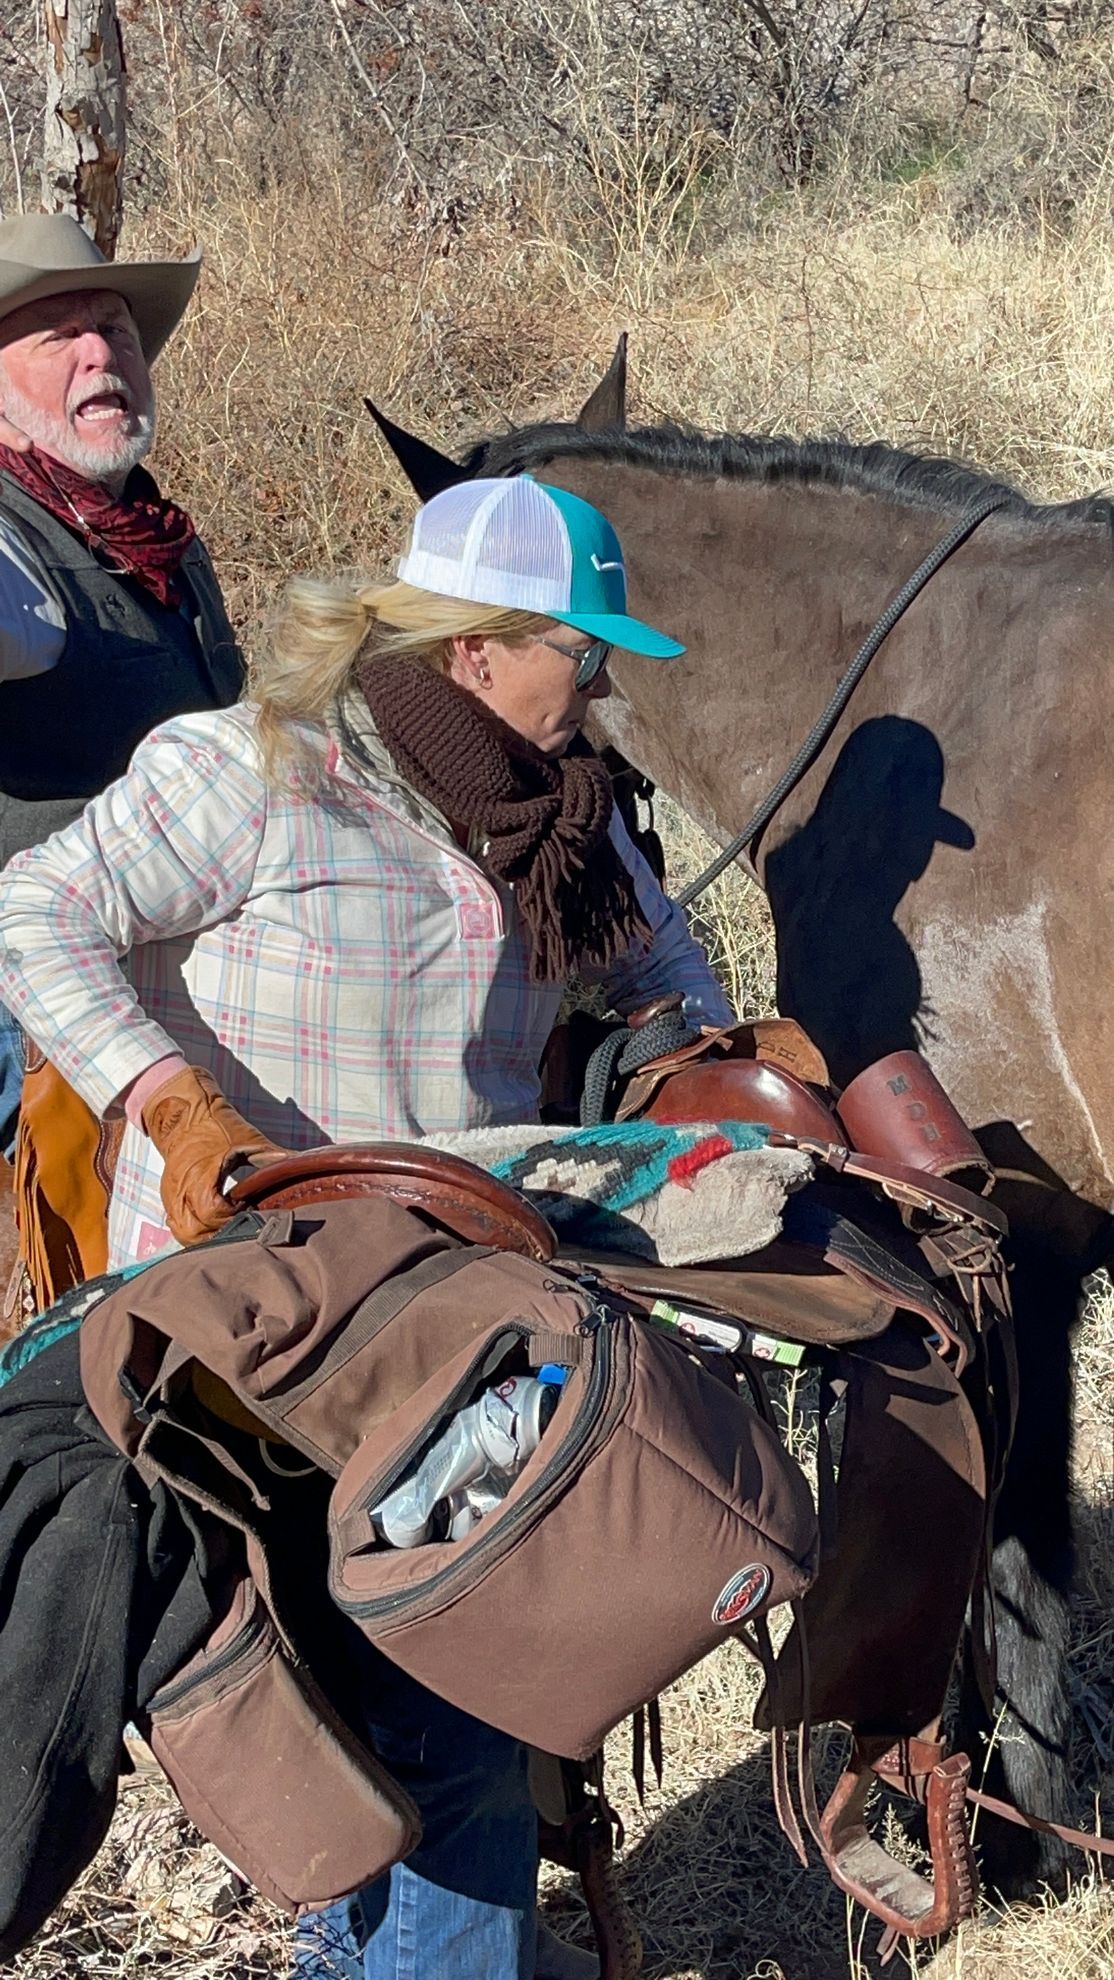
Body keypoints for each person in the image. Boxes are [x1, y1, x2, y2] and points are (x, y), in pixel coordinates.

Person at [0, 473, 733, 1977]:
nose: (594, 700)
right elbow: (35, 910)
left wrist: (701, 1058)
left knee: (456, 1715)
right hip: (243, 1347)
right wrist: (172, 1100)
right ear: (476, 651)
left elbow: (669, 971)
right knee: (357, 1729)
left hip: (448, 1342)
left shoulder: (562, 824)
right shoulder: (252, 772)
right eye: (576, 661)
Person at [0, 211, 243, 1192]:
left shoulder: (160, 538)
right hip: (38, 998)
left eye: (118, 331)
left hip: (187, 971)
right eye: (60, 336)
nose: (101, 352)